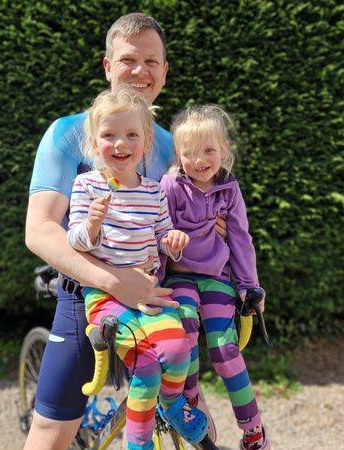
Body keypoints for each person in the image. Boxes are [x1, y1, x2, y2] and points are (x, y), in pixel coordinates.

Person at [23, 12, 223, 449]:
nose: (140, 71)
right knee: (50, 432)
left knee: (198, 420)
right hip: (87, 296)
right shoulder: (68, 135)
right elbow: (39, 230)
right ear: (108, 67)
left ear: (165, 72)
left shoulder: (175, 147)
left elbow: (191, 226)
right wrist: (114, 281)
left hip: (156, 297)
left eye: (152, 62)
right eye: (128, 60)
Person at [66, 88, 207, 449]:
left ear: (145, 142)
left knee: (177, 349)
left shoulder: (153, 191)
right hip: (106, 296)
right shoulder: (86, 186)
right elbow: (76, 243)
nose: (120, 143)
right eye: (109, 135)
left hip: (149, 289)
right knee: (145, 364)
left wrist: (172, 239)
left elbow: (161, 233)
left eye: (131, 135)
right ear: (94, 143)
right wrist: (92, 225)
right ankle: (138, 442)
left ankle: (174, 402)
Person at [160, 105, 268, 450]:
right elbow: (158, 233)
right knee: (185, 329)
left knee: (224, 348)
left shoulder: (229, 190)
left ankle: (253, 428)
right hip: (179, 279)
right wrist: (155, 278)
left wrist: (249, 286)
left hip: (217, 279)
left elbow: (240, 238)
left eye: (208, 150)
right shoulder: (171, 186)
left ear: (224, 150)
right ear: (178, 155)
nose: (199, 160)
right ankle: (192, 405)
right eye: (189, 152)